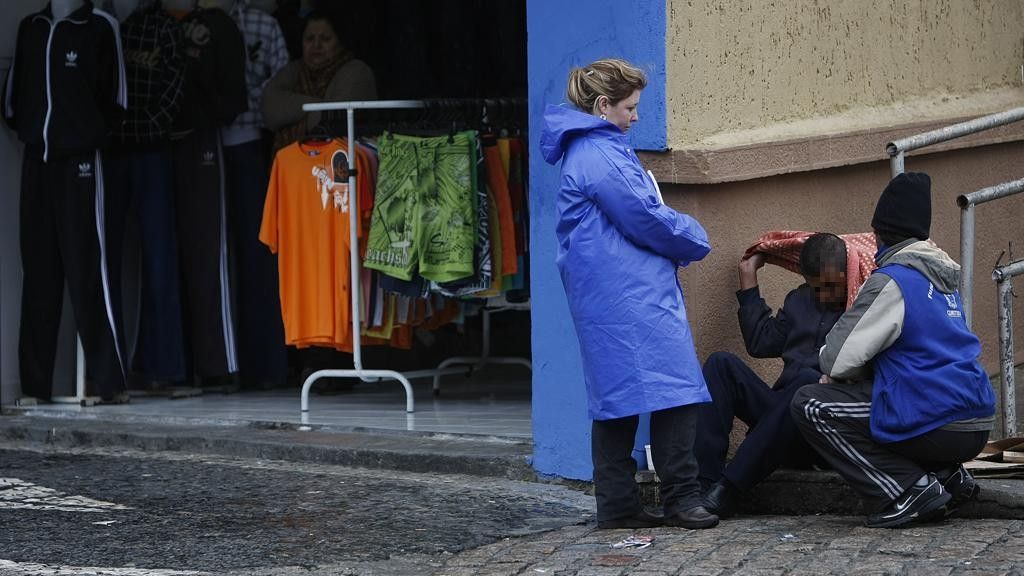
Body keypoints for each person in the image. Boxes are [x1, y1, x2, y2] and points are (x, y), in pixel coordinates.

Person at [540, 58, 717, 530]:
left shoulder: (588, 149)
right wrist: (694, 234)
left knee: (616, 400)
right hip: (632, 293)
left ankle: (618, 505)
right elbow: (644, 216)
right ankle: (683, 497)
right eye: (630, 107)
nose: (636, 116)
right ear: (603, 105)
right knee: (677, 391)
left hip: (609, 292)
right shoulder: (601, 154)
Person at [791, 172, 996, 528]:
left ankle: (907, 491)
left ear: (879, 233)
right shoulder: (944, 280)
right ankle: (949, 477)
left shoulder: (893, 279)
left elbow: (837, 358)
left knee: (811, 404)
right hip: (976, 418)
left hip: (936, 416)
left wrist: (835, 370)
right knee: (885, 395)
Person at [697, 233, 848, 517]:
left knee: (806, 381)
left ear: (847, 273)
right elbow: (761, 342)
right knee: (720, 364)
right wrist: (749, 276)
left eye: (832, 286)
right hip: (779, 418)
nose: (825, 295)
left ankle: (728, 488)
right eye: (817, 288)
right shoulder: (799, 300)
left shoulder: (862, 305)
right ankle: (703, 485)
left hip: (820, 432)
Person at [261, 10, 377, 151]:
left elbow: (336, 122)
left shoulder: (356, 71)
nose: (316, 45)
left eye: (326, 39)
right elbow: (270, 109)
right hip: (295, 165)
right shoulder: (295, 70)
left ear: (340, 42)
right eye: (310, 39)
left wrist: (294, 111)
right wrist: (319, 106)